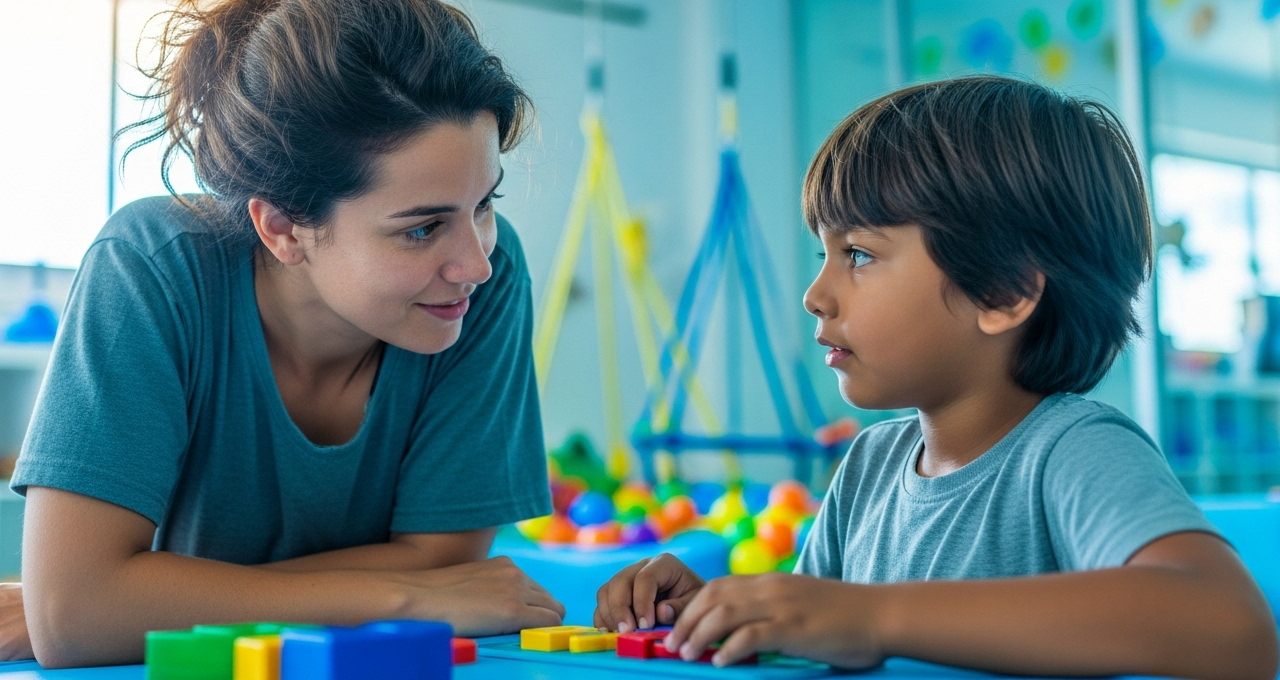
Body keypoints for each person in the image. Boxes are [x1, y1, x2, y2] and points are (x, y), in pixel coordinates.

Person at [594, 76, 1280, 679]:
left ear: (1003, 292)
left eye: (858, 253)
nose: (815, 294)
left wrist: (875, 617)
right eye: (824, 252)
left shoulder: (1072, 449)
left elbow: (1232, 627)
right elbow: (818, 630)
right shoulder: (869, 466)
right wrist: (724, 608)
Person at [6, 0, 564, 668]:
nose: (475, 261)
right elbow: (78, 619)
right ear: (280, 228)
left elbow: (443, 560)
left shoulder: (486, 284)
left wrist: (142, 597)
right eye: (421, 228)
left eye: (485, 205)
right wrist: (404, 597)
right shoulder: (150, 266)